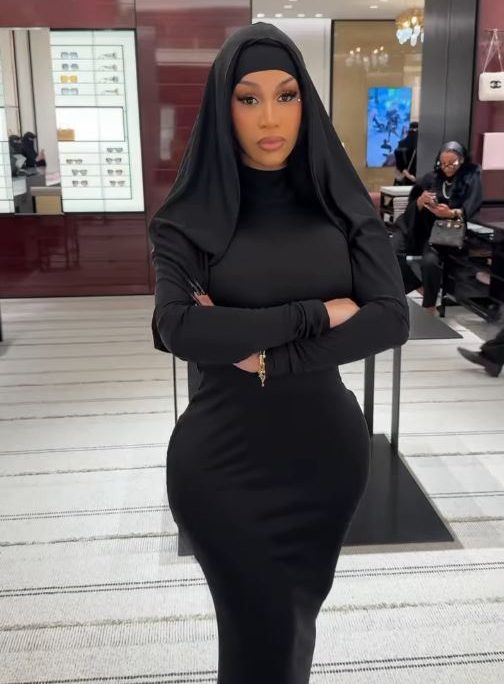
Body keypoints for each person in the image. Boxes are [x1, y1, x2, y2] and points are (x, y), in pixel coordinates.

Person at [149, 22, 409, 684]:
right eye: (249, 98)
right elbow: (179, 328)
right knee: (258, 636)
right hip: (223, 469)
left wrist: (269, 354)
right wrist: (316, 313)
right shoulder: (188, 220)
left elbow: (390, 319)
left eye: (286, 95)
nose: (270, 117)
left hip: (325, 463)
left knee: (292, 630)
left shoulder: (342, 206)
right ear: (224, 107)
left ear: (305, 102)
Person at [392, 140, 482, 313]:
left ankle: (429, 304)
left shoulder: (470, 179)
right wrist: (420, 202)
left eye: (452, 163)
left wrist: (451, 213)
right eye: (443, 163)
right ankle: (410, 286)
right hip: (419, 227)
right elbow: (412, 206)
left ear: (462, 160)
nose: (447, 167)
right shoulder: (430, 178)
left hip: (446, 232)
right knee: (391, 250)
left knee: (430, 261)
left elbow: (471, 208)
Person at [394, 121, 418, 185]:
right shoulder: (419, 146)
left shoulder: (401, 144)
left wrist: (409, 176)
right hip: (414, 179)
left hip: (406, 178)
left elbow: (400, 165)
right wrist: (410, 177)